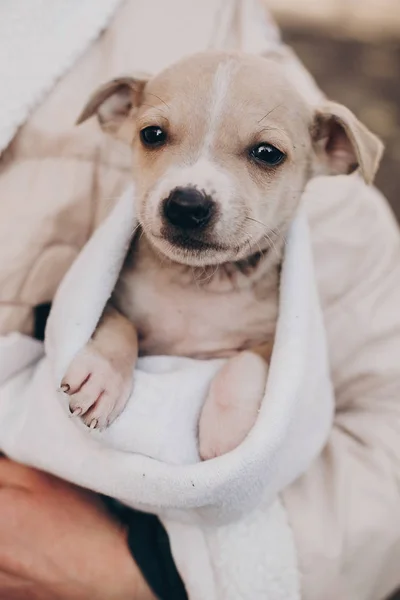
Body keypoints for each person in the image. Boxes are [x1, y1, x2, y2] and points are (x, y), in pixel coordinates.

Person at [1, 1, 400, 599]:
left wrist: (140, 573)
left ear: (334, 151)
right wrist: (114, 344)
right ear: (118, 115)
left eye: (264, 154)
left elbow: (368, 409)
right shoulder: (129, 272)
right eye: (158, 136)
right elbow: (88, 318)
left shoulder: (217, 29)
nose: (191, 191)